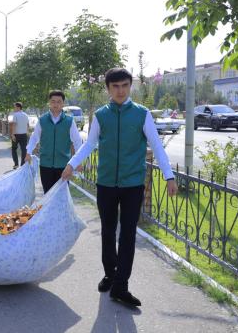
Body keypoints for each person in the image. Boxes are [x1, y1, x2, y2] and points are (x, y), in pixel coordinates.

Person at [61, 68, 178, 307]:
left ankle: (121, 285)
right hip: (105, 183)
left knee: (127, 235)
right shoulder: (101, 116)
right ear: (108, 89)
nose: (120, 91)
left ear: (130, 86)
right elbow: (90, 144)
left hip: (133, 184)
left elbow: (156, 145)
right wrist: (72, 164)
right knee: (107, 230)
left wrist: (169, 176)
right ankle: (110, 274)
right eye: (115, 87)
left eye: (124, 85)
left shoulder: (142, 114)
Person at [25, 90, 82, 193]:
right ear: (49, 103)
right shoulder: (42, 120)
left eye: (59, 101)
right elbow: (34, 137)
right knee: (47, 193)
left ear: (63, 103)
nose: (56, 104)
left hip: (64, 165)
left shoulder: (69, 121)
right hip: (45, 164)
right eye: (53, 101)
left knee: (62, 195)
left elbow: (77, 141)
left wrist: (78, 161)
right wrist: (28, 152)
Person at [10, 102, 30, 169]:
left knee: (13, 149)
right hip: (24, 135)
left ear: (18, 107)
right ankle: (22, 165)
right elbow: (28, 125)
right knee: (24, 150)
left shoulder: (15, 115)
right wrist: (27, 133)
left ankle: (16, 164)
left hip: (16, 135)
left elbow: (14, 125)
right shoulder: (26, 115)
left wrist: (12, 134)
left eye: (15, 107)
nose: (14, 108)